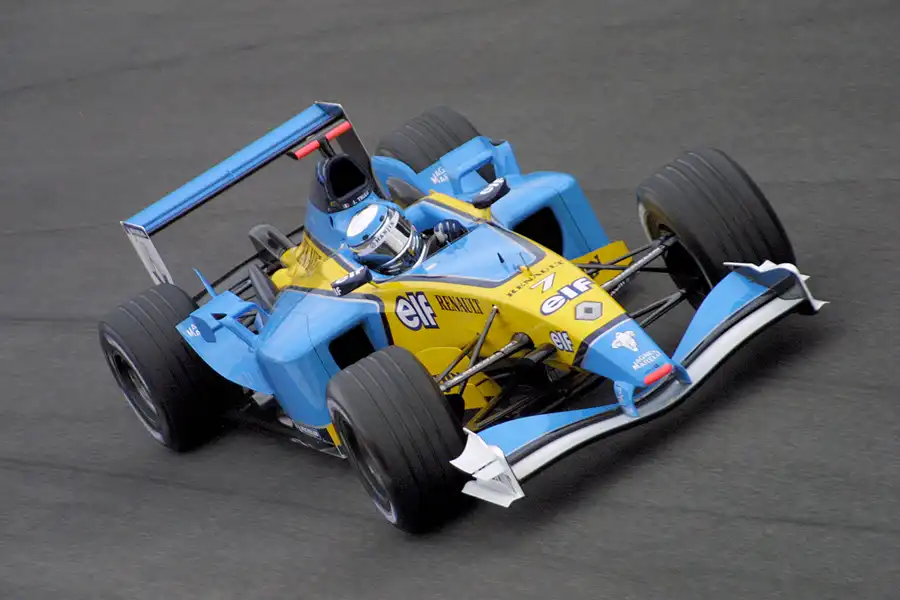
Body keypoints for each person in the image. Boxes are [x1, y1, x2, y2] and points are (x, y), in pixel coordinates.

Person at [311, 153, 467, 275]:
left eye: (397, 236)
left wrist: (458, 234)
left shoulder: (432, 239)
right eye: (383, 251)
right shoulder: (352, 257)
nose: (402, 253)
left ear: (406, 224)